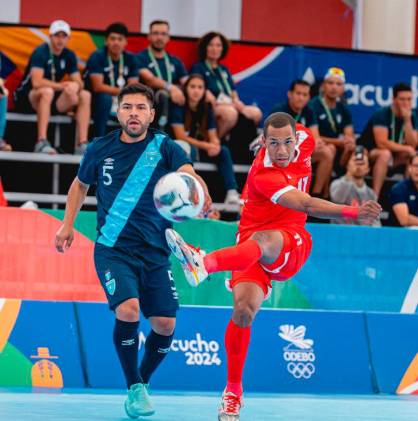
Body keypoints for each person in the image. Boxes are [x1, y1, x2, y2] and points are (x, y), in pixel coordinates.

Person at [165, 112, 381, 420]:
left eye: (287, 142)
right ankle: (233, 393)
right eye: (273, 143)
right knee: (243, 311)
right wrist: (351, 212)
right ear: (264, 143)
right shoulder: (264, 174)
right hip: (249, 247)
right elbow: (306, 203)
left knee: (266, 240)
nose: (281, 150)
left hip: (291, 243)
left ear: (296, 138)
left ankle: (206, 262)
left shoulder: (305, 139)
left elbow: (304, 190)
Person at [54, 83, 210, 418]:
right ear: (118, 111)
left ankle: (143, 382)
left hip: (155, 252)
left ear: (151, 114)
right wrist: (67, 225)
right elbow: (80, 186)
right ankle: (134, 387)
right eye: (127, 107)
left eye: (141, 108)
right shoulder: (100, 148)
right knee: (128, 309)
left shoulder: (165, 147)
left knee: (165, 324)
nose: (134, 113)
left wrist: (198, 189)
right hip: (113, 249)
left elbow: (187, 173)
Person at [14, 20, 91, 154]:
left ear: (68, 38)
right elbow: (36, 82)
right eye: (57, 35)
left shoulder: (69, 54)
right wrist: (63, 86)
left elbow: (79, 82)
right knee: (47, 91)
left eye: (63, 36)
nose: (60, 40)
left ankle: (82, 144)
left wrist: (74, 86)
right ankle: (41, 141)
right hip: (27, 98)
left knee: (85, 95)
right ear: (50, 37)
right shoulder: (41, 52)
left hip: (51, 101)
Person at [170, 74, 240, 205]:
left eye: (200, 87)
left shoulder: (207, 108)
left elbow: (213, 135)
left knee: (223, 151)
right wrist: (207, 146)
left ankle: (232, 192)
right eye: (192, 87)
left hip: (200, 149)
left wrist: (215, 145)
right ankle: (187, 193)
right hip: (181, 149)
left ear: (204, 91)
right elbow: (180, 136)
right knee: (185, 147)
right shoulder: (179, 106)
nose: (196, 90)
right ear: (186, 88)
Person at [191, 31, 262, 139]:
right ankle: (214, 142)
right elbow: (200, 91)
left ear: (222, 48)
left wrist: (237, 101)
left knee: (256, 113)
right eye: (211, 45)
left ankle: (242, 145)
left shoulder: (224, 69)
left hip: (230, 105)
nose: (215, 49)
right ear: (205, 47)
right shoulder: (198, 67)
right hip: (212, 107)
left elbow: (233, 92)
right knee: (230, 113)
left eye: (218, 45)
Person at [271, 79, 333, 198]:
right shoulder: (279, 110)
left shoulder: (309, 111)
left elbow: (315, 137)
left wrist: (318, 142)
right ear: (290, 94)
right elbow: (274, 139)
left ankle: (316, 196)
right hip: (281, 154)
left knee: (326, 153)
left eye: (305, 95)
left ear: (309, 97)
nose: (301, 98)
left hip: (300, 152)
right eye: (298, 94)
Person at [359, 82, 418, 199]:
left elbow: (413, 144)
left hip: (396, 157)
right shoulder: (382, 113)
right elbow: (381, 142)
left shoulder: (413, 115)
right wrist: (406, 148)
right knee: (385, 154)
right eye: (402, 99)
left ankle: (408, 196)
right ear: (394, 99)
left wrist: (407, 121)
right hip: (373, 154)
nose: (406, 103)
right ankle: (375, 197)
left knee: (412, 157)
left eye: (409, 99)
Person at [85, 22, 139, 137]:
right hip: (97, 101)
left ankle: (135, 144)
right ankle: (99, 140)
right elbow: (97, 86)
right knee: (105, 99)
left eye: (120, 39)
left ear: (125, 42)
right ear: (106, 41)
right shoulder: (97, 56)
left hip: (121, 100)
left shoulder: (131, 59)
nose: (116, 42)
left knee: (139, 101)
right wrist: (123, 92)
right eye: (113, 39)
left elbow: (133, 87)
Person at [137, 20, 188, 130]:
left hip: (173, 104)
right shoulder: (140, 58)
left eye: (163, 34)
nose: (159, 37)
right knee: (163, 94)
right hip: (150, 103)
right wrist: (172, 88)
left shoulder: (175, 60)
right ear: (149, 36)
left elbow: (187, 82)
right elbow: (150, 79)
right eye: (155, 33)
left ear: (168, 37)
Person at [309, 67, 356, 173]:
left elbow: (349, 134)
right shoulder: (313, 105)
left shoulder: (344, 109)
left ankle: (342, 179)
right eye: (330, 83)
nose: (334, 87)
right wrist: (338, 142)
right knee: (330, 149)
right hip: (317, 147)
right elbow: (315, 138)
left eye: (338, 84)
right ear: (323, 85)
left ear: (343, 88)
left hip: (338, 149)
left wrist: (349, 142)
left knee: (353, 148)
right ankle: (322, 190)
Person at [330, 147, 381, 226]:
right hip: (341, 233)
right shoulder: (336, 184)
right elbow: (338, 198)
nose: (359, 166)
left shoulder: (371, 194)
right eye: (355, 162)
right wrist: (350, 174)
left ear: (368, 169)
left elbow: (375, 221)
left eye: (362, 163)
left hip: (363, 234)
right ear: (348, 165)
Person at [388, 153, 418, 227]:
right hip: (399, 234)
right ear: (409, 168)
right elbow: (404, 220)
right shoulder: (399, 189)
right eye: (416, 166)